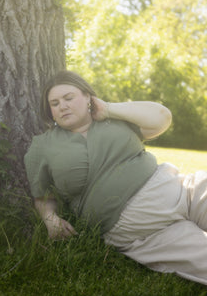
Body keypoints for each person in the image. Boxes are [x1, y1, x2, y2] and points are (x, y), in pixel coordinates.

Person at [24, 70, 207, 285]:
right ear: (50, 112)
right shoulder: (43, 146)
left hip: (183, 190)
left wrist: (108, 109)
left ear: (87, 97)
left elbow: (162, 118)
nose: (62, 106)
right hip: (144, 230)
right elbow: (42, 196)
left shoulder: (116, 120)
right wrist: (50, 220)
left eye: (69, 98)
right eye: (54, 103)